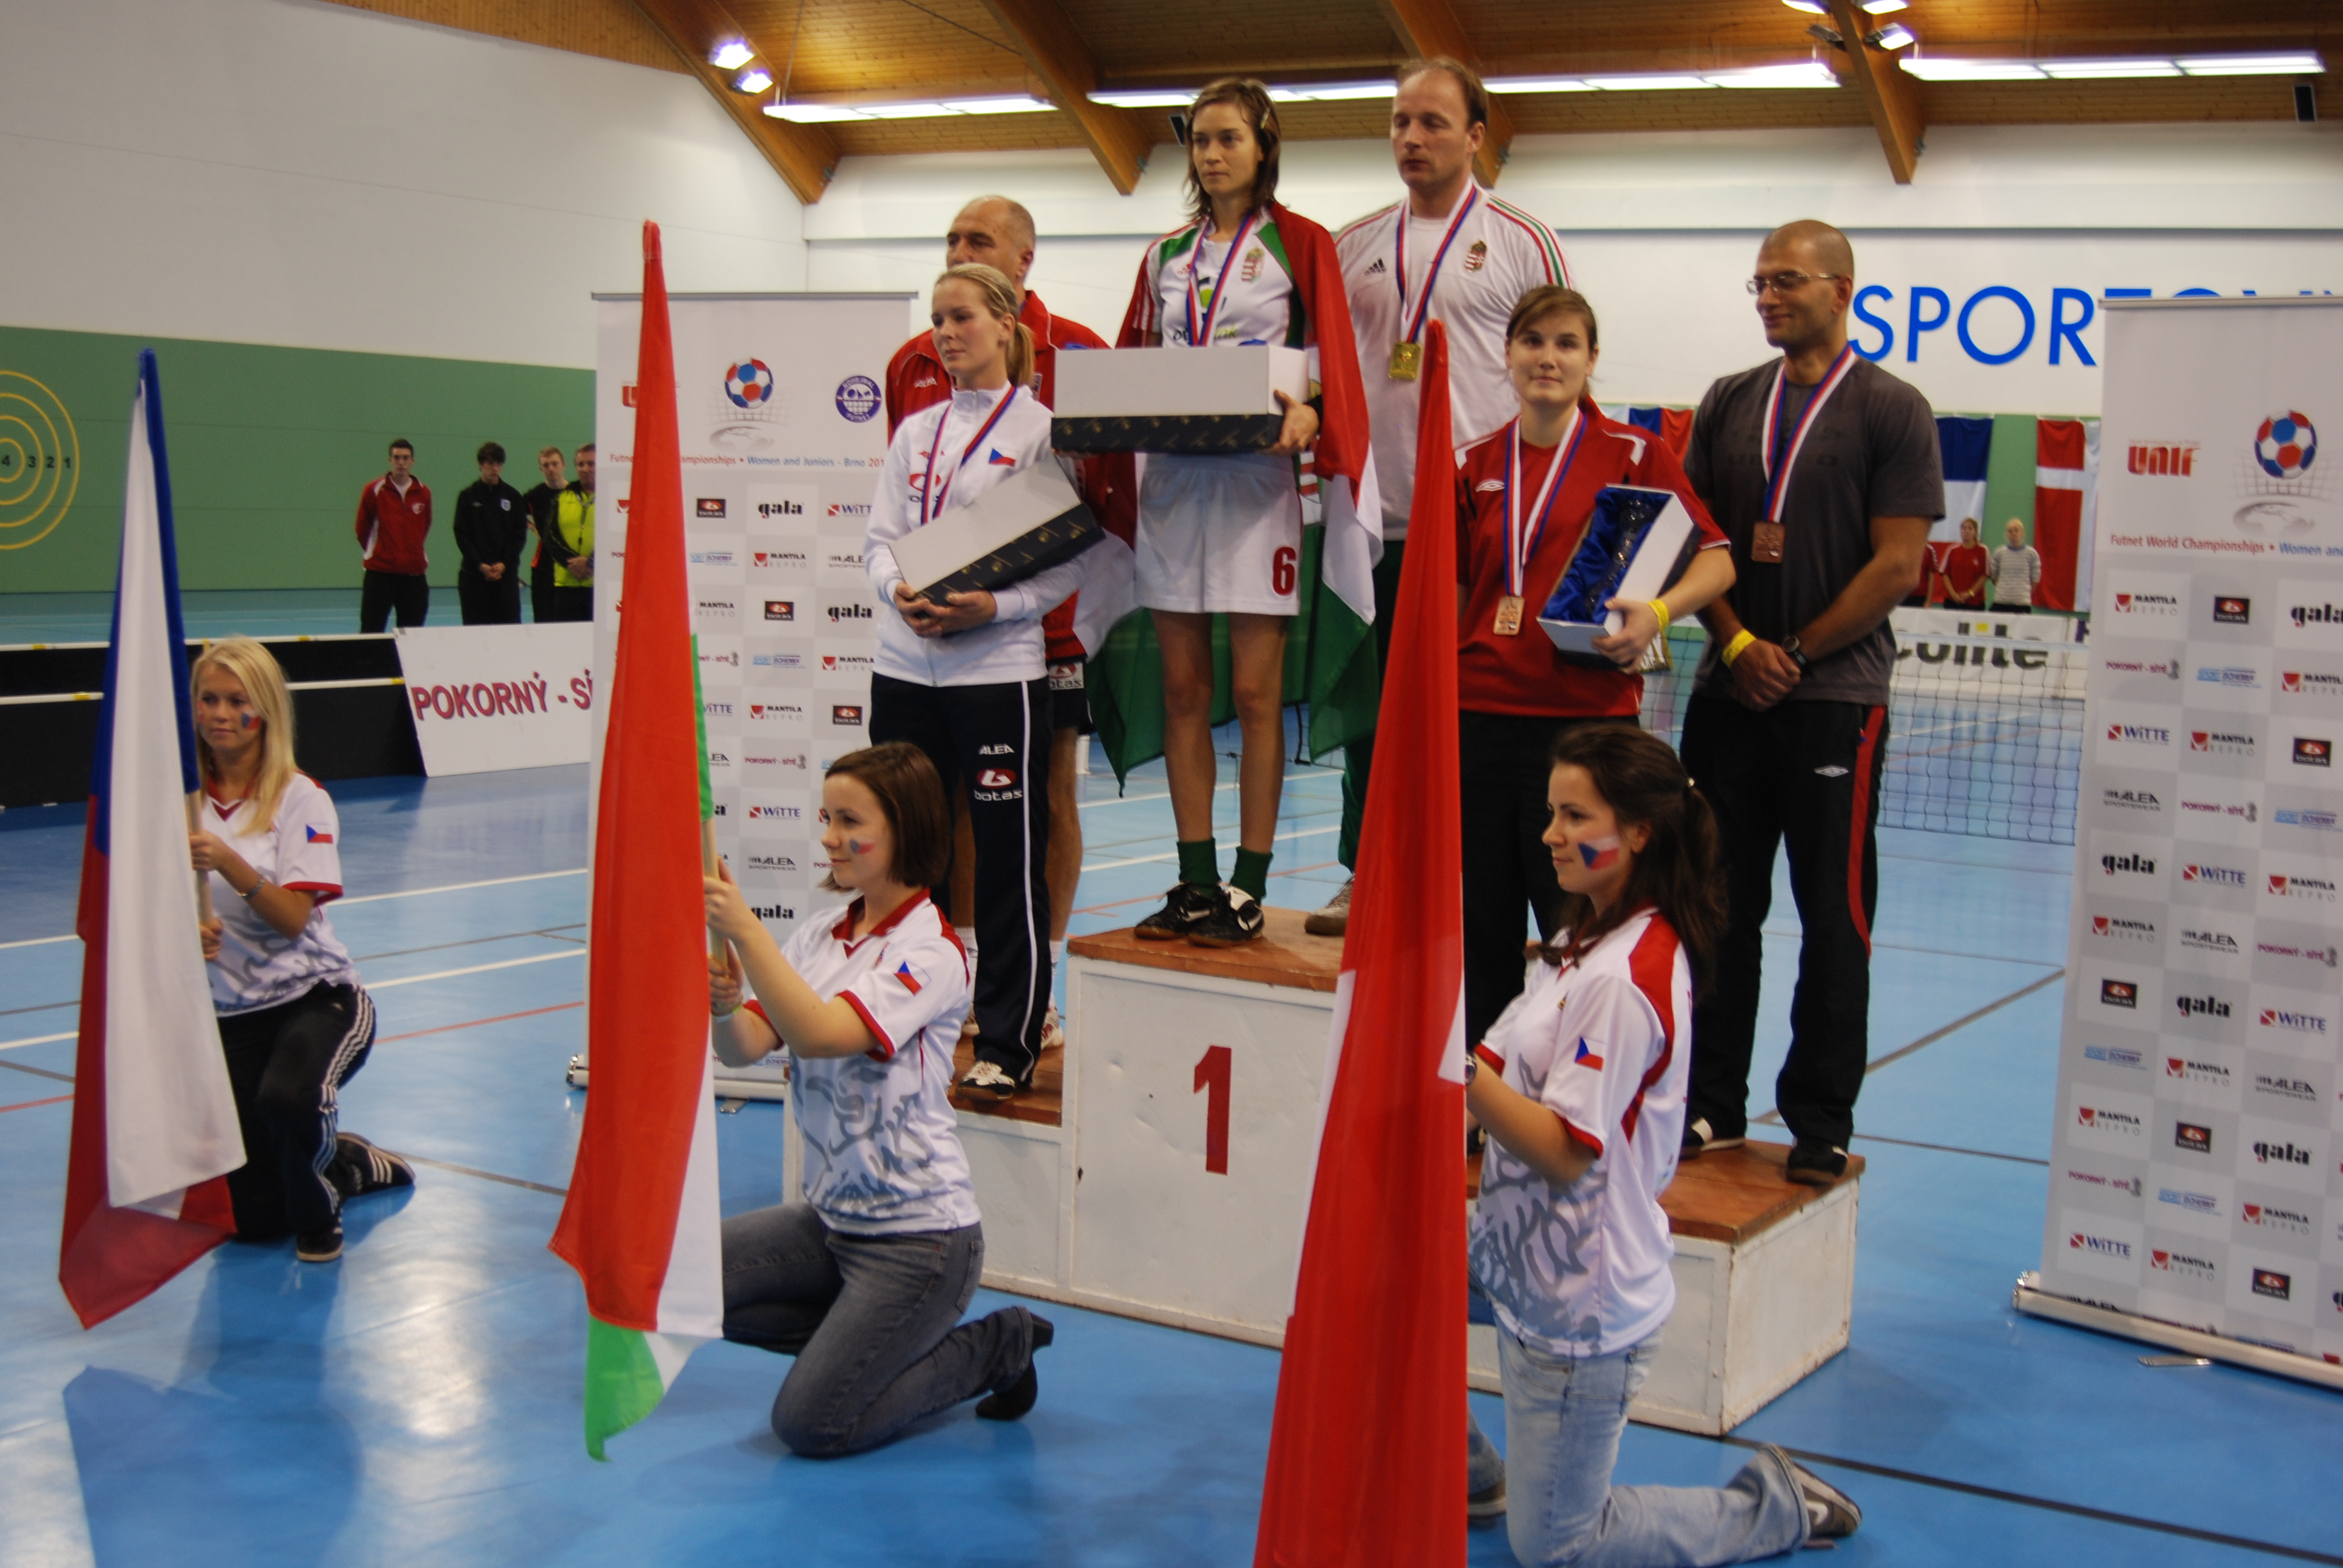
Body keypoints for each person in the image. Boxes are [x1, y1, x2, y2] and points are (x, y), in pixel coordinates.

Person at [1464, 723, 1860, 1565]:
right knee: (1378, 1282)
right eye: (1550, 814)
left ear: (1638, 832)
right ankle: (1471, 1472)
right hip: (1510, 1252)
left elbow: (1568, 1150)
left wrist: (1452, 1079)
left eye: (1575, 818)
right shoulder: (1582, 937)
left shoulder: (1625, 979)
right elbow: (1498, 1056)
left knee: (1561, 1549)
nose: (1550, 836)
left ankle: (1776, 1506)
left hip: (1577, 1302)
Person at [1680, 220, 1941, 1184]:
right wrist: (1738, 644)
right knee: (1715, 907)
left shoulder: (1892, 408)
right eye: (1756, 285)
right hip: (1726, 690)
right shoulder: (1726, 401)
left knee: (1834, 915)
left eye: (1784, 281)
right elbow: (1695, 546)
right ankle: (1711, 1105)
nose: (1766, 299)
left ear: (1842, 288)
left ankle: (1820, 1118)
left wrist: (1791, 651)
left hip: (1836, 701)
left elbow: (1899, 564)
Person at [702, 742, 1052, 1455]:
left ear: (904, 829)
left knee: (812, 1426)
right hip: (831, 1224)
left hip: (920, 1244)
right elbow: (741, 1047)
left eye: (848, 820)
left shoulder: (933, 952)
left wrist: (744, 930)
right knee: (685, 1282)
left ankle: (996, 1347)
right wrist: (725, 1004)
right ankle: (865, 1338)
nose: (829, 837)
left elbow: (822, 1032)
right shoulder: (817, 937)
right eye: (825, 818)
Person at [1314, 56, 1572, 938]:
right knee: (1368, 713)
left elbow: (1556, 369)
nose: (1412, 139)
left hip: (1481, 529)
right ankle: (1365, 872)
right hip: (1373, 525)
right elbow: (1319, 376)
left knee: (1476, 719)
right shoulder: (1348, 247)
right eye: (1399, 123)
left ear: (1474, 135)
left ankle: (1469, 879)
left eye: (1431, 123)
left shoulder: (1519, 239)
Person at [1119, 77, 1374, 947]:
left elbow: (1331, 355)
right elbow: (1134, 363)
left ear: (1264, 145)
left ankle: (1249, 884)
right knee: (1185, 689)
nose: (1213, 154)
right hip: (1174, 489)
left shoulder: (1301, 244)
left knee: (1259, 694)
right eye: (1200, 140)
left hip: (1258, 488)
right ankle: (1194, 879)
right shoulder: (1165, 255)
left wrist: (1314, 416)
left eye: (1230, 138)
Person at [881, 194, 1136, 1057]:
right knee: (928, 812)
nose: (958, 251)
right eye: (949, 240)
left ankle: (1034, 989)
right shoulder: (909, 378)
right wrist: (903, 590)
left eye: (976, 243)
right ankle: (941, 976)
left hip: (1034, 640)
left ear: (1021, 268)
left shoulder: (1085, 363)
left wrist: (1011, 606)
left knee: (1038, 808)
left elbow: (1094, 515)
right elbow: (900, 525)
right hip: (921, 646)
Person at [1452, 284, 1733, 1053]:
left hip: (1583, 731)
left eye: (1566, 343)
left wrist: (1656, 614)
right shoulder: (1473, 463)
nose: (1548, 357)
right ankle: (1486, 1097)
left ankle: (1574, 1086)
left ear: (1591, 359)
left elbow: (1715, 563)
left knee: (1578, 926)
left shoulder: (1635, 455)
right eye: (1532, 341)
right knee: (1481, 926)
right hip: (1476, 722)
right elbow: (1449, 600)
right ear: (1506, 354)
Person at [865, 264, 1089, 1097]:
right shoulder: (914, 431)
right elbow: (878, 539)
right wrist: (899, 592)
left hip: (996, 673)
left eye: (960, 318)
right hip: (902, 667)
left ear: (1004, 323)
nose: (944, 334)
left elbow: (1071, 565)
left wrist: (991, 607)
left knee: (1004, 861)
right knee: (901, 855)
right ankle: (896, 1018)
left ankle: (1009, 1042)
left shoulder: (1041, 431)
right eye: (936, 321)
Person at [187, 637, 414, 1264]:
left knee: (287, 1099)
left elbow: (291, 917)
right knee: (254, 1221)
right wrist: (184, 930)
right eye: (208, 699)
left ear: (265, 711)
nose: (221, 714)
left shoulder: (299, 797)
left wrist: (229, 861)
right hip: (230, 1013)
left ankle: (325, 1210)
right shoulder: (181, 804)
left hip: (316, 1001)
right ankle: (342, 1159)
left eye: (237, 701)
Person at [356, 438, 431, 632]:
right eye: (397, 458)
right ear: (390, 460)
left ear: (412, 461)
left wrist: (411, 553)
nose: (401, 463)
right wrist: (380, 553)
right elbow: (362, 529)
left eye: (406, 458)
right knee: (371, 631)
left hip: (414, 576)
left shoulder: (423, 493)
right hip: (380, 575)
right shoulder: (374, 490)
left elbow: (425, 526)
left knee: (413, 634)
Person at [453, 441, 528, 625]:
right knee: (476, 635)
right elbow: (462, 534)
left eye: (499, 464)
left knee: (509, 635)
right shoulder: (467, 497)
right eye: (490, 464)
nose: (495, 469)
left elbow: (519, 536)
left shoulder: (513, 497)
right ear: (480, 464)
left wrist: (504, 563)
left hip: (506, 578)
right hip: (474, 578)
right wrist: (479, 564)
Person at [543, 444, 595, 623]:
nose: (586, 469)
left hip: (599, 586)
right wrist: (573, 564)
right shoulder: (562, 498)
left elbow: (619, 538)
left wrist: (590, 563)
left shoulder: (615, 498)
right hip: (566, 586)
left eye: (591, 463)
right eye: (581, 465)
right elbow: (550, 537)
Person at [522, 445, 568, 624]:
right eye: (546, 465)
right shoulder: (534, 496)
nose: (551, 469)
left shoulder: (575, 493)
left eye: (555, 464)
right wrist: (534, 528)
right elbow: (516, 515)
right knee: (543, 620)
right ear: (541, 469)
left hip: (569, 566)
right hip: (543, 567)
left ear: (563, 465)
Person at [1988, 517, 2042, 613]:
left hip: (2022, 603)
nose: (2013, 533)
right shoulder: (1999, 553)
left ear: (2022, 533)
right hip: (2001, 601)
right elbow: (1994, 576)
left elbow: (2035, 579)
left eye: (2016, 530)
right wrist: (2006, 590)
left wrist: (2023, 593)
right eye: (2010, 531)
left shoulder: (2032, 554)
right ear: (2006, 535)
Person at [1939, 515, 1989, 607]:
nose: (1966, 531)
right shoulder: (1952, 550)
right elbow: (1945, 574)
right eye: (1964, 528)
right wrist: (1953, 594)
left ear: (1975, 532)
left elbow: (1984, 576)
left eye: (1970, 529)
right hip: (1952, 600)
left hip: (1974, 602)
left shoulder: (1983, 550)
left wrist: (1970, 593)